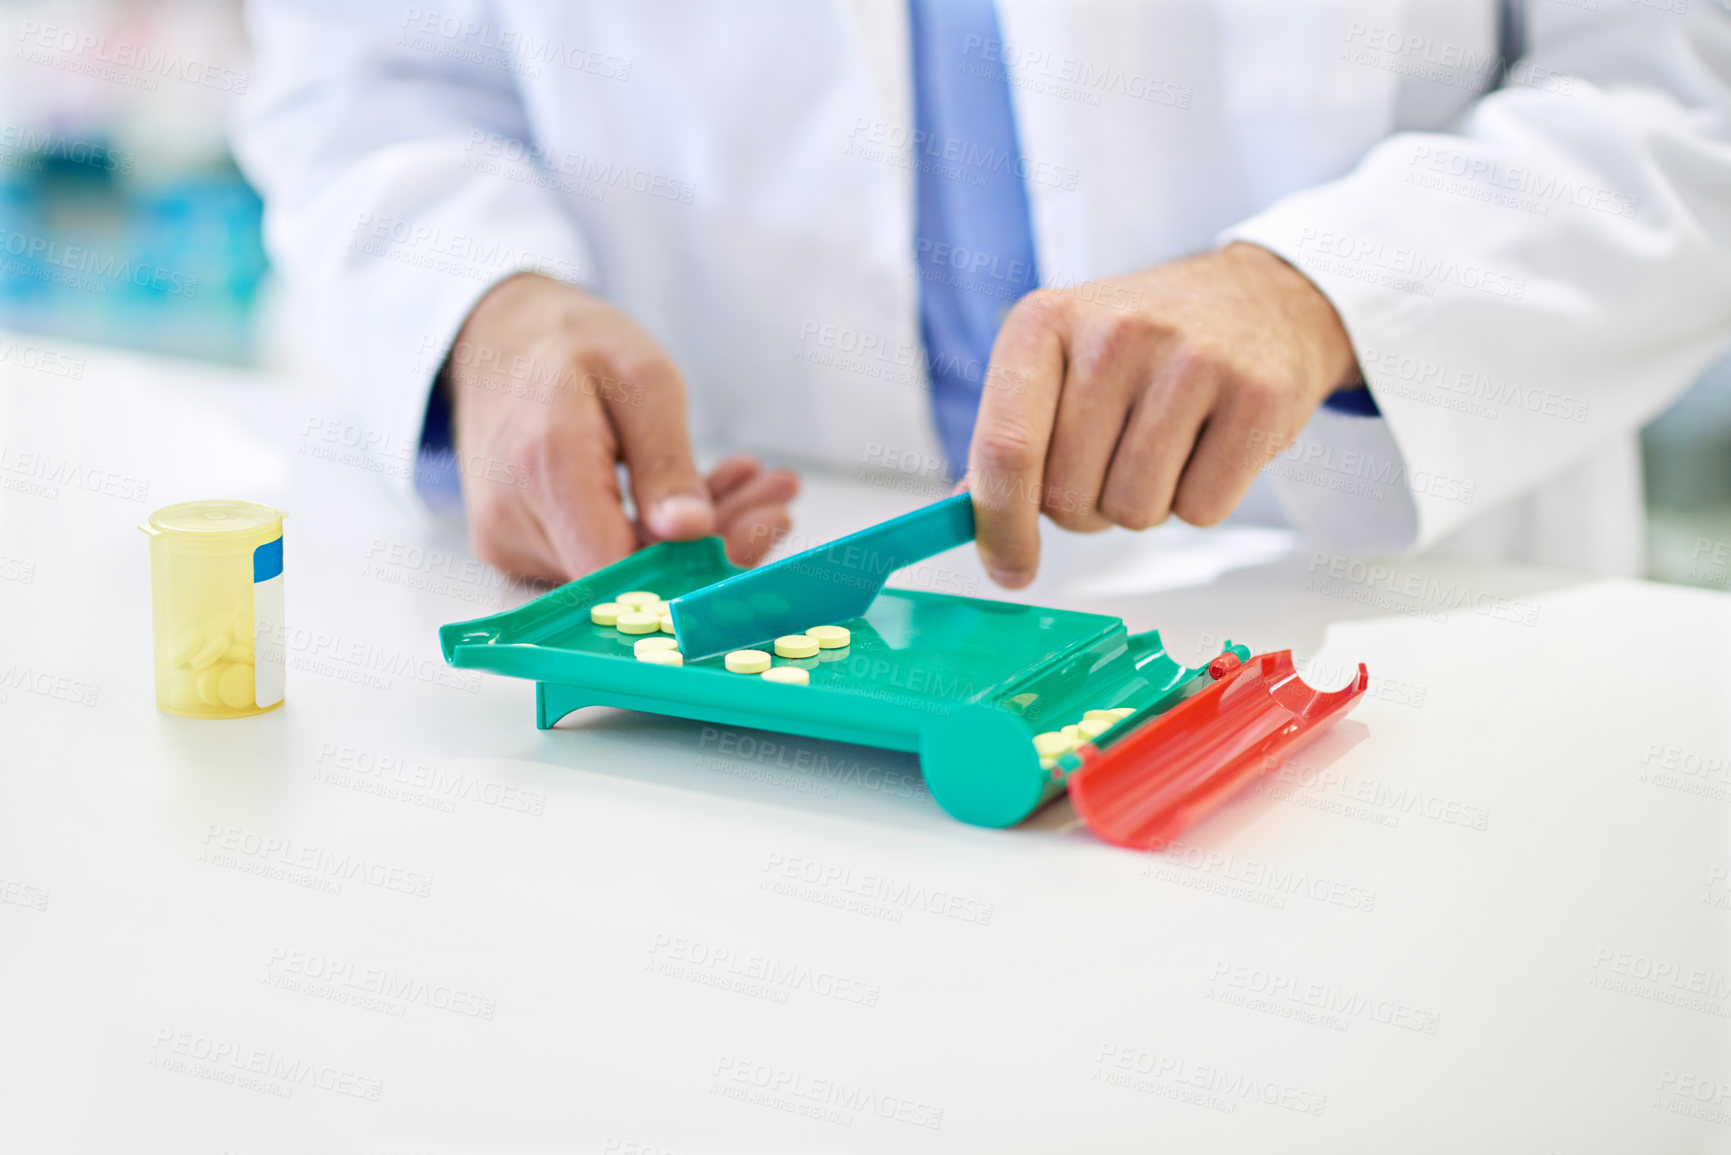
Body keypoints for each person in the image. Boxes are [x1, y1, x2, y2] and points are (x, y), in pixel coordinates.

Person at [234, 1, 1731, 587]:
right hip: (740, 612)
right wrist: (487, 302)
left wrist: (1324, 291)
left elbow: (1680, 93)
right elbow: (363, 86)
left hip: (1350, 599)